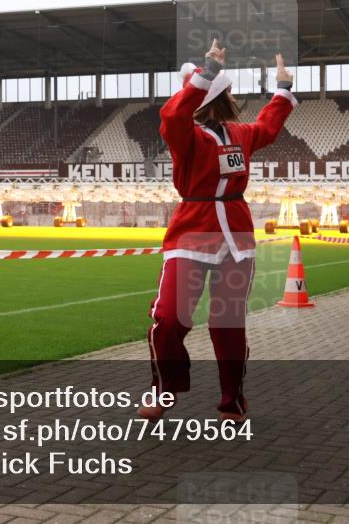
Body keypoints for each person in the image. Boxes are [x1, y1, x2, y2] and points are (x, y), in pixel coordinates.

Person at [141, 40, 296, 421]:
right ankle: (165, 389)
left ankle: (232, 399)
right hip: (192, 232)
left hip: (236, 238)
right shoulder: (187, 136)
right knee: (170, 317)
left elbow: (268, 126)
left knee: (227, 324)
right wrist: (207, 70)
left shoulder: (240, 134)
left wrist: (283, 88)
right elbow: (172, 116)